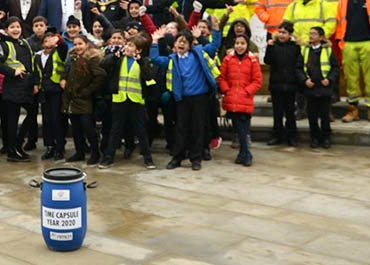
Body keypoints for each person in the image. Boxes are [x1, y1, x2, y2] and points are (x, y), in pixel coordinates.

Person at [151, 27, 222, 171]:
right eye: (178, 42)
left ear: (190, 45)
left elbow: (214, 45)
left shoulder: (198, 54)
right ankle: (177, 157)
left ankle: (196, 158)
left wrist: (214, 30)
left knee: (197, 128)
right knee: (181, 128)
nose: (181, 44)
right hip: (182, 99)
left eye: (184, 42)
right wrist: (154, 41)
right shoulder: (172, 59)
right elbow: (155, 59)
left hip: (200, 98)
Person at [98, 34, 156, 170]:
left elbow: (150, 78)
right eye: (127, 44)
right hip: (119, 99)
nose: (127, 47)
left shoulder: (144, 61)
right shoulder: (119, 59)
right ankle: (108, 158)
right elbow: (103, 64)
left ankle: (148, 159)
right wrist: (115, 56)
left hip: (136, 100)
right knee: (115, 130)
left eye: (131, 46)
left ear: (139, 50)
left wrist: (141, 62)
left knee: (141, 131)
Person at [0, 19, 38, 162]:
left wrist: (35, 83)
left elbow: (32, 64)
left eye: (18, 27)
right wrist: (12, 72)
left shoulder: (25, 43)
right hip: (13, 86)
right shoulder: (5, 45)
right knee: (12, 120)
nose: (16, 30)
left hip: (27, 86)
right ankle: (12, 151)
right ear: (7, 30)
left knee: (32, 113)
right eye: (12, 27)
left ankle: (17, 143)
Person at [218, 34, 262, 166]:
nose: (239, 46)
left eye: (242, 43)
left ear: (247, 45)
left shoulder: (252, 60)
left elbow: (257, 81)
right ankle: (244, 153)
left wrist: (247, 91)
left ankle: (245, 153)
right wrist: (226, 90)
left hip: (245, 99)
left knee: (243, 127)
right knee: (238, 127)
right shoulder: (228, 59)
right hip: (232, 99)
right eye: (237, 43)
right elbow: (221, 77)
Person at [62, 35, 106, 165]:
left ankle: (95, 153)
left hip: (84, 99)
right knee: (76, 128)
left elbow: (100, 77)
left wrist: (86, 91)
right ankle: (79, 152)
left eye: (80, 44)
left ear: (87, 44)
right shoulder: (73, 57)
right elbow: (68, 72)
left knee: (88, 128)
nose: (77, 47)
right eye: (75, 44)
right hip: (72, 98)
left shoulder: (92, 58)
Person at [296, 27, 339, 148]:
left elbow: (335, 68)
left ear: (321, 37)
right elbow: (299, 68)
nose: (311, 36)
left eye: (314, 34)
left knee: (325, 115)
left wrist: (329, 79)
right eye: (310, 33)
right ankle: (314, 138)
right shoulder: (305, 50)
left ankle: (326, 138)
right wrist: (305, 80)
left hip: (324, 88)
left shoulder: (328, 51)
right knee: (312, 115)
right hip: (310, 88)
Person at [264, 20, 301, 147]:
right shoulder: (274, 46)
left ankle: (292, 136)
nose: (281, 35)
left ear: (290, 34)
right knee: (277, 112)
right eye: (280, 32)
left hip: (290, 85)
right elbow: (267, 60)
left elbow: (298, 65)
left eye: (284, 32)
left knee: (290, 112)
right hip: (276, 84)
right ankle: (277, 135)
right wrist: (269, 47)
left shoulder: (295, 47)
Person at [36, 29, 69, 161]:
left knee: (57, 120)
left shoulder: (58, 53)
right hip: (44, 91)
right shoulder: (38, 56)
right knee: (47, 120)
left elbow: (63, 46)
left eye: (51, 40)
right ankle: (49, 146)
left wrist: (58, 40)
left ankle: (59, 147)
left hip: (56, 90)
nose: (48, 43)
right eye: (45, 40)